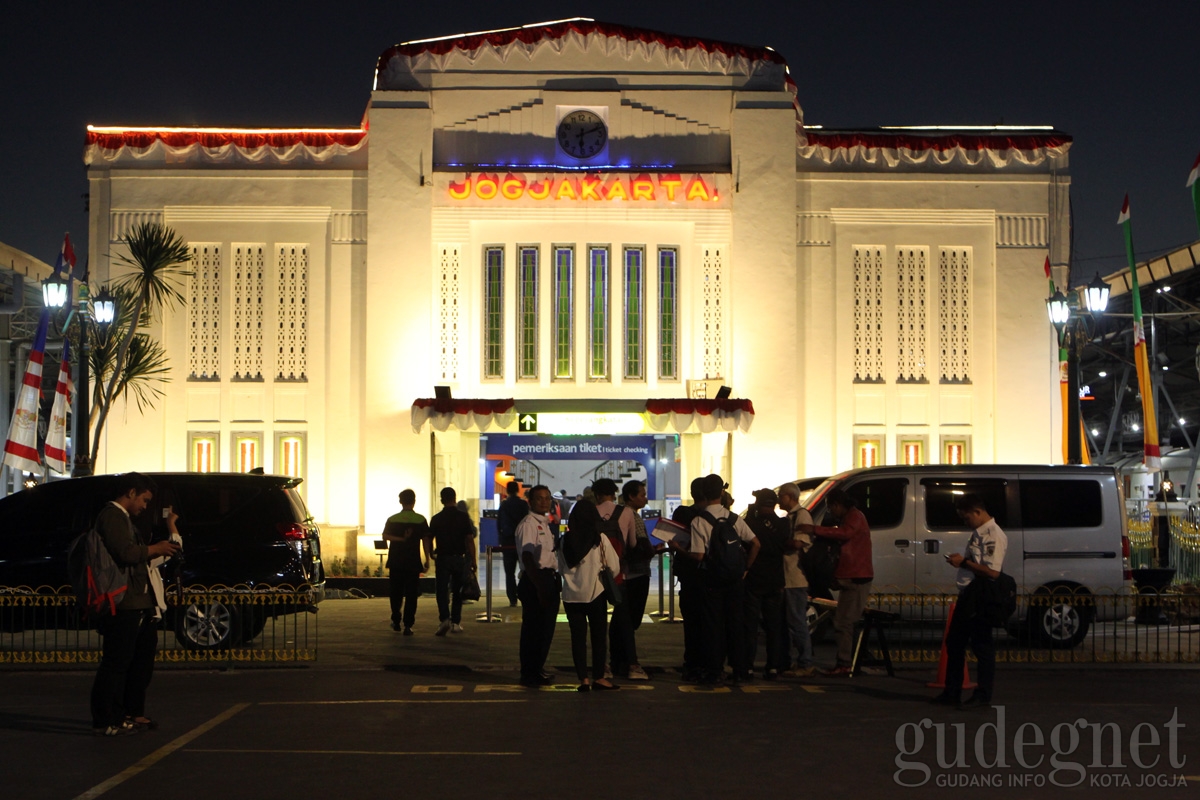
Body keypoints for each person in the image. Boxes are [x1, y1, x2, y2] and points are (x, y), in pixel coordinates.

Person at [90, 473, 181, 736]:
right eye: (143, 499)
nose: (144, 506)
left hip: (133, 601)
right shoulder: (112, 516)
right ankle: (105, 718)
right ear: (130, 492)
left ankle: (119, 716)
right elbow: (126, 553)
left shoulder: (122, 518)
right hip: (122, 602)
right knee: (116, 663)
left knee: (129, 663)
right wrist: (153, 549)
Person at [672, 473, 760, 683]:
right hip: (735, 580)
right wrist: (746, 568)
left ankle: (714, 670)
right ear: (721, 493)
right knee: (736, 624)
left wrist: (678, 549)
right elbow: (756, 543)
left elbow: (699, 556)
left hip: (711, 580)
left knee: (714, 626)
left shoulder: (699, 521)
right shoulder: (733, 518)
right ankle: (740, 670)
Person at [932, 494, 1008, 709]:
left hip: (980, 596)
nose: (965, 522)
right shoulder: (979, 533)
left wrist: (963, 562)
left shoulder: (993, 535)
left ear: (977, 512)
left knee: (982, 646)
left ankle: (982, 695)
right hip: (969, 595)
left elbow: (993, 572)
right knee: (955, 643)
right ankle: (952, 691)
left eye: (966, 518)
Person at [800, 488, 873, 676]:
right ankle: (850, 660)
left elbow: (844, 534)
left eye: (832, 509)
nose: (831, 513)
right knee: (845, 620)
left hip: (856, 576)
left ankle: (845, 663)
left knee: (844, 622)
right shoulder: (852, 516)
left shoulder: (854, 517)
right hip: (854, 575)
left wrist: (815, 530)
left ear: (838, 505)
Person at [559, 500, 620, 692]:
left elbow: (560, 568)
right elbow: (614, 567)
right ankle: (599, 677)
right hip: (595, 593)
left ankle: (583, 679)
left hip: (570, 596)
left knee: (578, 638)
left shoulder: (563, 541)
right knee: (598, 637)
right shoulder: (599, 539)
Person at [742, 489, 789, 679]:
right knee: (774, 626)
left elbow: (745, 543)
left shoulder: (752, 524)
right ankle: (773, 666)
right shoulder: (784, 524)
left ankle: (748, 666)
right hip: (775, 580)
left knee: (750, 626)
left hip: (754, 580)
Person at [517, 485, 561, 686]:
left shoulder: (544, 523)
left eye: (547, 498)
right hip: (536, 579)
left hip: (546, 578)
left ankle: (536, 668)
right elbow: (527, 556)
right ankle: (530, 672)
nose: (544, 502)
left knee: (544, 629)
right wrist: (539, 586)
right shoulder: (529, 524)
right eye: (539, 498)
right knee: (534, 630)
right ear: (530, 502)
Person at [778, 482, 816, 677]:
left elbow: (799, 542)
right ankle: (799, 661)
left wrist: (778, 542)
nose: (778, 499)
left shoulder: (801, 516)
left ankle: (805, 662)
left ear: (790, 497)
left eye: (781, 495)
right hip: (789, 577)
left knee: (797, 621)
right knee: (791, 621)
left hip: (796, 577)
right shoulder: (791, 517)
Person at [671, 477, 707, 681]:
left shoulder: (683, 513)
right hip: (713, 577)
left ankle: (692, 664)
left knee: (692, 624)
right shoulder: (722, 517)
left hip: (689, 576)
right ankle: (711, 664)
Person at [429, 487, 477, 636]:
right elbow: (469, 540)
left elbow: (429, 539)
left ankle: (444, 619)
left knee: (442, 590)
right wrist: (473, 559)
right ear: (455, 498)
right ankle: (456, 623)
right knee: (457, 591)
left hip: (443, 558)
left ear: (442, 500)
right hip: (459, 558)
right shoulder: (463, 517)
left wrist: (430, 553)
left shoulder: (436, 518)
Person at [382, 489, 431, 635]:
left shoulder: (392, 519)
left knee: (395, 592)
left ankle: (396, 620)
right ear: (414, 501)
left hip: (396, 561)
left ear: (400, 501)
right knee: (411, 594)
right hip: (413, 562)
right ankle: (408, 625)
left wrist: (400, 540)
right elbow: (426, 540)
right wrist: (427, 559)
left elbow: (385, 536)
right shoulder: (420, 520)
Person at [497, 481, 528, 607]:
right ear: (517, 490)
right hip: (522, 541)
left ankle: (512, 599)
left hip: (508, 542)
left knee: (509, 573)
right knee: (525, 570)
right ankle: (525, 596)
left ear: (507, 491)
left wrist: (501, 540)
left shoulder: (504, 505)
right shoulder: (523, 504)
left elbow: (499, 524)